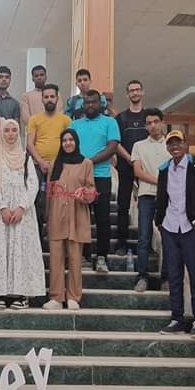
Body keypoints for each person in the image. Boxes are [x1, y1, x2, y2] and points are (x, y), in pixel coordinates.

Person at [156, 130, 195, 339]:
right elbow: (161, 197)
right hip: (170, 227)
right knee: (174, 275)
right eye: (171, 144)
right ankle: (177, 319)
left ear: (185, 144)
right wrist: (159, 221)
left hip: (190, 228)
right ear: (167, 147)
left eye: (178, 142)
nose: (175, 147)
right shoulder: (164, 169)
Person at [0, 119, 45, 309]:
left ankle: (21, 294)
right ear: (1, 133)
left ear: (19, 133)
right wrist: (2, 207)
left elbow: (33, 185)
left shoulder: (25, 157)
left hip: (22, 213)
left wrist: (21, 207)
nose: (10, 134)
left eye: (14, 130)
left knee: (21, 251)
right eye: (7, 130)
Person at [43, 129, 96, 311]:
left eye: (71, 139)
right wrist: (47, 217)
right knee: (56, 258)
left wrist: (85, 193)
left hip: (77, 214)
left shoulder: (86, 163)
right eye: (64, 140)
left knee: (75, 258)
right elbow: (49, 193)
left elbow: (92, 190)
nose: (67, 143)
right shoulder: (54, 164)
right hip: (57, 214)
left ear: (76, 142)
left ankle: (74, 296)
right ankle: (56, 297)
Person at [70, 90, 120, 274]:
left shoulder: (110, 122)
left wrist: (90, 162)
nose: (90, 105)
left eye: (94, 102)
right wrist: (81, 166)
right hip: (79, 177)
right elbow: (70, 147)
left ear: (100, 104)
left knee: (103, 218)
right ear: (83, 105)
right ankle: (84, 255)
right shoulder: (75, 124)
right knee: (81, 219)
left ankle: (101, 257)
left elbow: (112, 147)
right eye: (87, 102)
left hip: (101, 176)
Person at [131, 108, 171, 293]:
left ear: (162, 123)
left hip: (169, 197)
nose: (153, 126)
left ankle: (166, 278)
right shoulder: (139, 146)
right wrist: (160, 182)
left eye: (156, 121)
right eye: (149, 123)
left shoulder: (171, 145)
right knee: (144, 237)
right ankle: (142, 277)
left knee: (167, 237)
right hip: (146, 195)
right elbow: (138, 172)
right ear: (145, 126)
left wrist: (165, 186)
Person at [26, 83, 71, 236]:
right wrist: (41, 161)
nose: (49, 99)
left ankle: (57, 237)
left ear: (57, 98)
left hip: (60, 167)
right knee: (38, 202)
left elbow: (69, 144)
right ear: (42, 99)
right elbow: (29, 144)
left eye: (52, 96)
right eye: (46, 97)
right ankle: (37, 239)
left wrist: (56, 164)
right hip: (38, 167)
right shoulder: (34, 119)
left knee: (59, 201)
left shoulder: (66, 120)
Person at [114, 80, 148, 255]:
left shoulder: (149, 116)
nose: (134, 93)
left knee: (147, 206)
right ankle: (121, 243)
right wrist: (130, 159)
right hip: (126, 165)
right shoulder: (120, 118)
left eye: (137, 90)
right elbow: (116, 143)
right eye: (131, 90)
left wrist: (141, 162)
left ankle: (147, 245)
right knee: (123, 205)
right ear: (127, 94)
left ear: (142, 92)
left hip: (146, 168)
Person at [19, 64, 47, 129]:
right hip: (33, 132)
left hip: (52, 131)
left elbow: (59, 113)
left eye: (41, 75)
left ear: (46, 77)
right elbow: (25, 118)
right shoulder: (26, 96)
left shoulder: (55, 95)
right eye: (36, 76)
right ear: (32, 78)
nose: (39, 77)